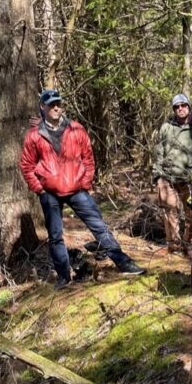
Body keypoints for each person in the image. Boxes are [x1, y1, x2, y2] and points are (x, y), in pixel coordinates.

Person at [20, 89, 144, 288]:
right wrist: (39, 189)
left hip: (77, 188)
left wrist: (85, 182)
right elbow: (26, 165)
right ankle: (63, 277)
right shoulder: (34, 136)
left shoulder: (76, 129)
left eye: (58, 103)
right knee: (55, 236)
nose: (56, 107)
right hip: (50, 192)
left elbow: (88, 157)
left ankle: (123, 263)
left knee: (99, 226)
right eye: (51, 104)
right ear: (42, 107)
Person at [154, 93, 192, 255]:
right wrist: (158, 177)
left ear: (189, 106)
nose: (180, 109)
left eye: (183, 105)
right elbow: (159, 152)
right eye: (177, 106)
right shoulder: (166, 127)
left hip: (190, 178)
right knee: (170, 211)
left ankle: (189, 242)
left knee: (191, 212)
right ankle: (173, 245)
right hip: (168, 177)